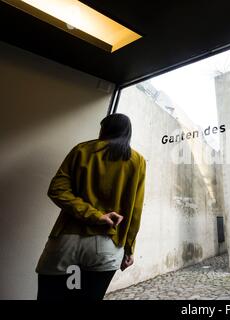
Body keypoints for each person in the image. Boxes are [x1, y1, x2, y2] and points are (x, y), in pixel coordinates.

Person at [35, 113, 146, 300]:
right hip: (107, 243)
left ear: (104, 129)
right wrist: (129, 248)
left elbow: (57, 190)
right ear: (127, 132)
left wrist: (95, 215)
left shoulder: (81, 150)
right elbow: (135, 210)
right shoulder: (137, 160)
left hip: (66, 240)